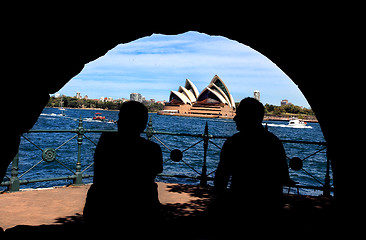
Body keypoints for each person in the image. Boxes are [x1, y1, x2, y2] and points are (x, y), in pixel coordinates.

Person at [83, 101, 163, 231]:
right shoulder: (153, 149)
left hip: (102, 208)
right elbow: (155, 171)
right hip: (142, 208)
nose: (118, 122)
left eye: (121, 118)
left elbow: (100, 169)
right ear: (143, 124)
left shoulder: (106, 141)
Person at [213, 97, 294, 222]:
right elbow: (284, 177)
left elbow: (221, 179)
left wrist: (221, 205)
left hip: (239, 207)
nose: (235, 119)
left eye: (239, 115)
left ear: (248, 117)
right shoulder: (274, 142)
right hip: (269, 210)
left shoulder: (233, 143)